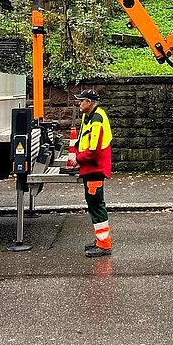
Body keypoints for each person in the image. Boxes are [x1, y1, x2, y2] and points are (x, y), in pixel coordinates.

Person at [74, 88, 113, 258]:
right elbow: (83, 140)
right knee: (94, 204)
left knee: (96, 205)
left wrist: (78, 159)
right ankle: (100, 240)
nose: (79, 103)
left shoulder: (96, 120)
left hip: (94, 168)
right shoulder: (88, 116)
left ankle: (104, 244)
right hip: (90, 167)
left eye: (81, 100)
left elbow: (93, 149)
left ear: (89, 103)